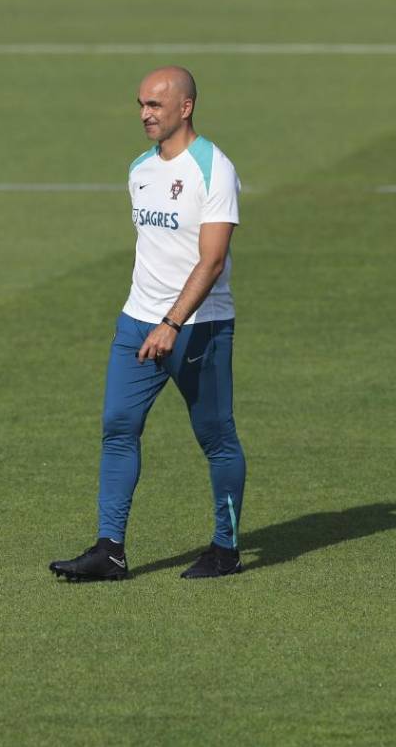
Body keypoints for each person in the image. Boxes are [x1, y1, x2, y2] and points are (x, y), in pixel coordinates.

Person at [50, 66, 246, 582]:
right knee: (118, 428)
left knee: (215, 436)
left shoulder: (214, 169)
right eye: (141, 104)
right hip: (137, 322)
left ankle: (226, 550)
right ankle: (109, 551)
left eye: (155, 105)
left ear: (186, 108)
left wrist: (172, 323)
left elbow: (212, 259)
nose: (144, 114)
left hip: (197, 327)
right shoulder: (139, 169)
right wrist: (149, 317)